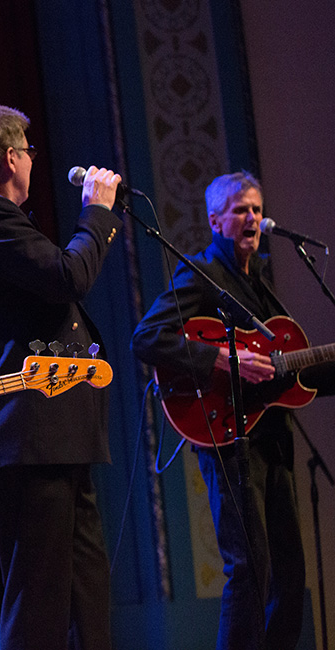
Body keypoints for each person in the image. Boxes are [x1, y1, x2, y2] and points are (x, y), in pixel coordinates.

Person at [0, 104, 122, 650]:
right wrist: (98, 213)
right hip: (27, 430)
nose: (33, 162)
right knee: (39, 603)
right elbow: (68, 276)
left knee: (86, 598)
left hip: (49, 432)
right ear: (13, 158)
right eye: (30, 152)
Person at [132, 171, 333, 650]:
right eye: (242, 209)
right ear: (216, 219)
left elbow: (290, 376)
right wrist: (221, 358)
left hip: (271, 435)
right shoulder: (202, 275)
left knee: (289, 573)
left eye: (258, 210)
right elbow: (147, 338)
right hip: (227, 436)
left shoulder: (260, 283)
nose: (253, 219)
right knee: (249, 568)